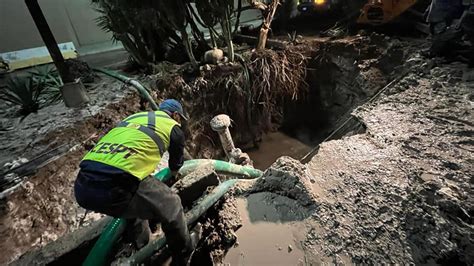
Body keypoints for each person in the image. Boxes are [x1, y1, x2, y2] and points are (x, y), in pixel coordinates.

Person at [74, 99, 194, 265]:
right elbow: (175, 165)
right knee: (172, 204)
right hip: (117, 184)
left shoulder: (134, 117)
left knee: (135, 204)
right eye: (179, 118)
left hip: (82, 187)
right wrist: (174, 175)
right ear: (175, 115)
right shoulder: (173, 128)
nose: (179, 122)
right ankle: (185, 254)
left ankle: (142, 245)